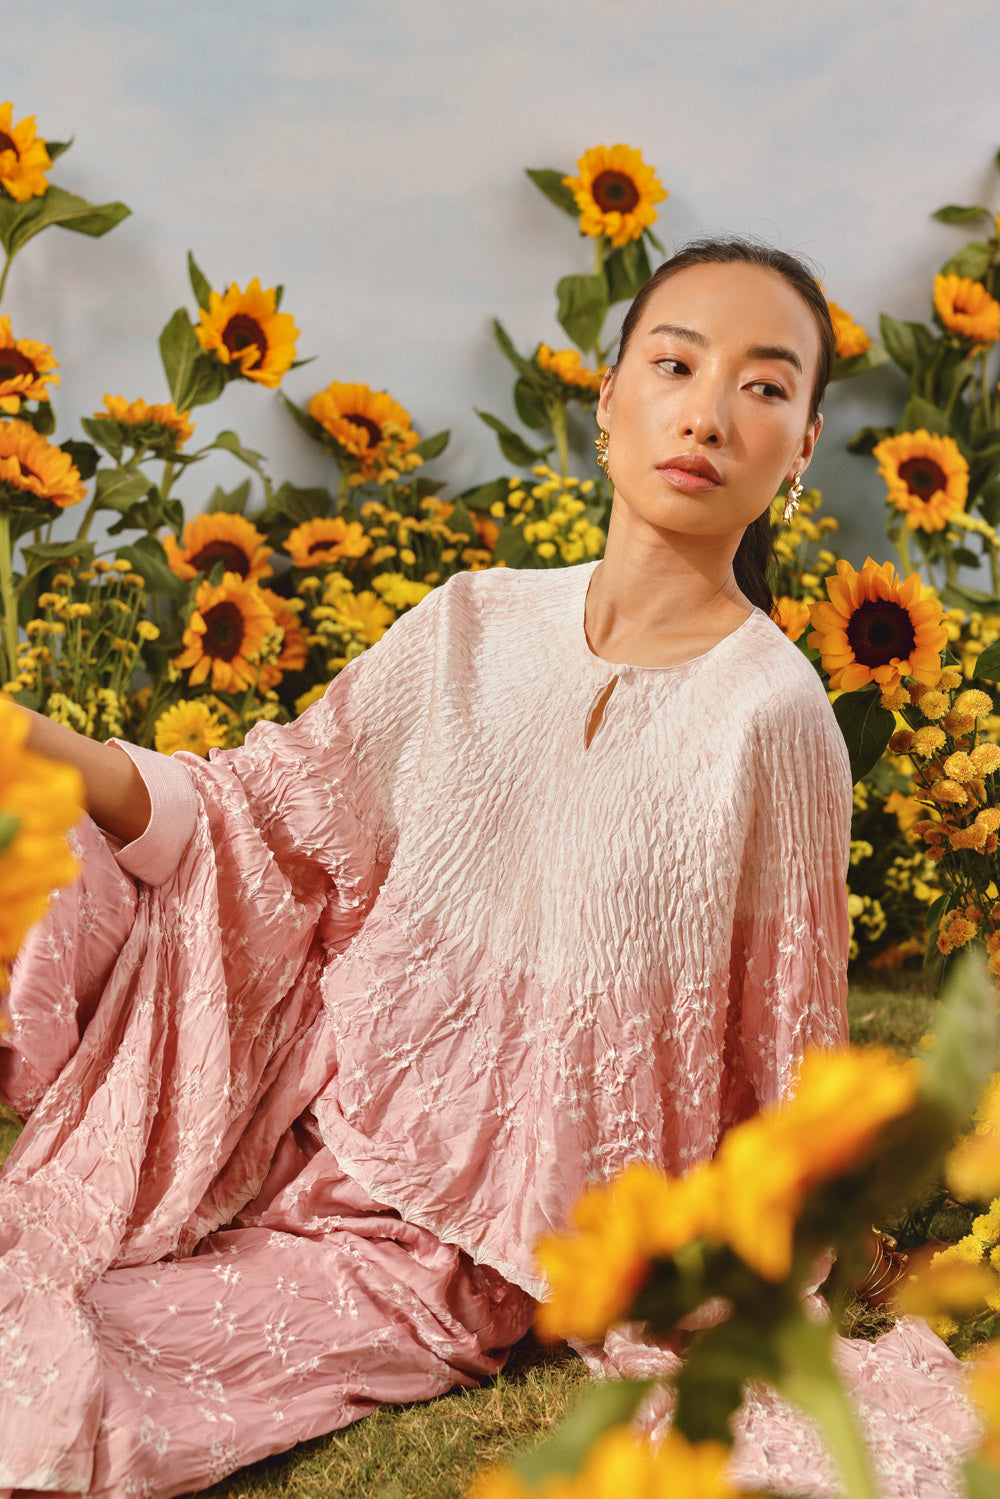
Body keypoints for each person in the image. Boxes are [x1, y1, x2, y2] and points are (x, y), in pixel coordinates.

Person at [0, 240, 973, 1499]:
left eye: (763, 386)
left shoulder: (770, 718)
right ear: (608, 399)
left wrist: (787, 1256)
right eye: (676, 365)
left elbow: (786, 1047)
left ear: (801, 446)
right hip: (279, 1095)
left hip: (444, 1245)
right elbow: (260, 819)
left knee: (87, 1370)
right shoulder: (472, 620)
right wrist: (26, 737)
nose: (706, 414)